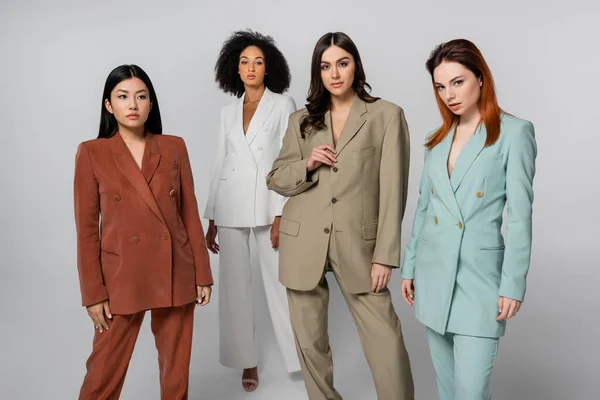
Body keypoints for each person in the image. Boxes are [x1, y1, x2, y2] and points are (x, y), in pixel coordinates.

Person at [267, 32, 414, 400]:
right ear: (318, 72)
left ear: (356, 65)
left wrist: (385, 255)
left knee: (386, 340)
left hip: (361, 246)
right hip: (303, 243)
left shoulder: (386, 115)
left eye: (342, 63)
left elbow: (394, 191)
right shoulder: (302, 120)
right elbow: (276, 178)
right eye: (325, 66)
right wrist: (308, 162)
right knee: (311, 346)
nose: (335, 73)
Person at [400, 39, 537, 400]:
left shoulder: (514, 132)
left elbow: (521, 217)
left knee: (470, 393)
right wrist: (409, 267)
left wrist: (512, 283)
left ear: (480, 78)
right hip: (432, 276)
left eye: (457, 82)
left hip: (479, 282)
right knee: (447, 391)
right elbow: (424, 208)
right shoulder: (435, 139)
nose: (449, 94)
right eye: (440, 86)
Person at [74, 64, 213, 400]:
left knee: (176, 374)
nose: (133, 104)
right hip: (121, 275)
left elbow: (189, 214)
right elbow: (87, 230)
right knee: (103, 373)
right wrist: (93, 293)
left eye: (141, 96)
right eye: (123, 97)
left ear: (151, 103)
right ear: (109, 105)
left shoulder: (173, 146)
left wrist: (203, 273)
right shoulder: (92, 153)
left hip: (176, 268)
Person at [203, 30, 300, 392]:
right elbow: (220, 162)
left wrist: (281, 214)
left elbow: (289, 159)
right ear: (235, 67)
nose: (251, 67)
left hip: (267, 202)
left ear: (269, 66)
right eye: (244, 61)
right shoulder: (228, 111)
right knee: (234, 290)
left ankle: (299, 355)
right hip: (229, 206)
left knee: (281, 284)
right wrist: (210, 217)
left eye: (258, 61)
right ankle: (248, 361)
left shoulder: (283, 104)